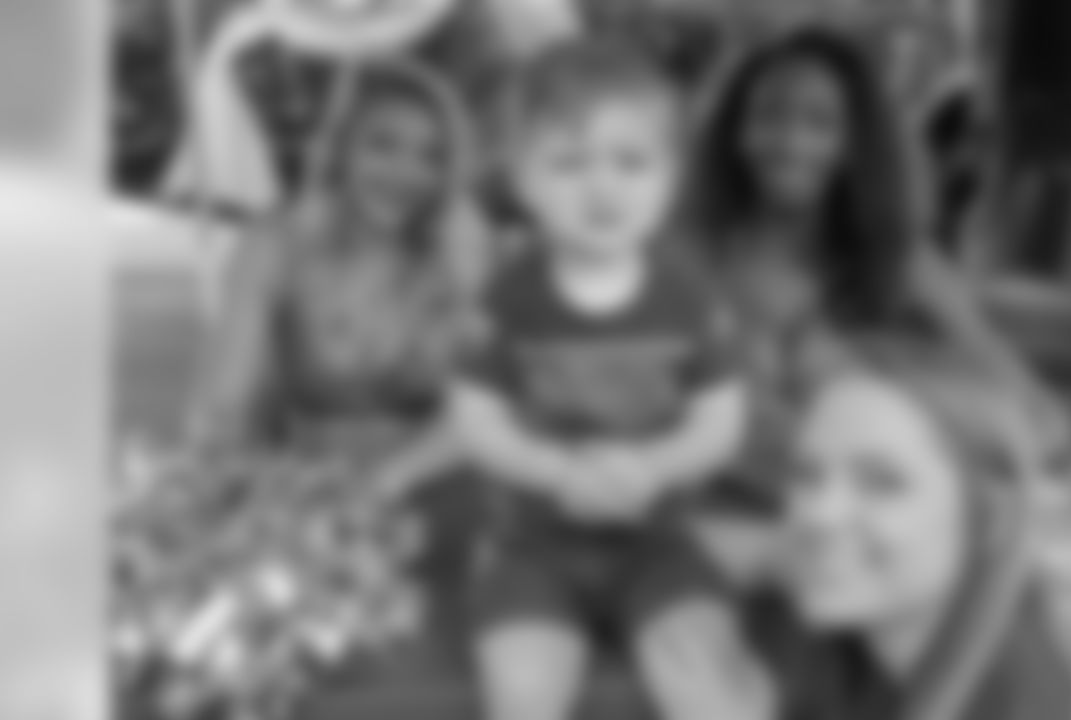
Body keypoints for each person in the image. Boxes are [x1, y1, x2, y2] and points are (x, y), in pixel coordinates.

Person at [452, 39, 775, 720]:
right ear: (523, 180)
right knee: (522, 686)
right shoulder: (508, 297)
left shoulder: (691, 295)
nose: (603, 188)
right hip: (531, 546)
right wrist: (556, 471)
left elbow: (721, 420)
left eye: (631, 162)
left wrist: (654, 467)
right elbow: (474, 418)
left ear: (671, 178)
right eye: (569, 164)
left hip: (661, 543)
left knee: (710, 682)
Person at [695, 28, 1068, 455]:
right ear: (734, 131)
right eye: (769, 116)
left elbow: (1044, 417)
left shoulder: (901, 260)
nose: (791, 141)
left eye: (820, 123)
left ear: (858, 143)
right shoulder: (693, 252)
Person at [188, 60, 478, 505]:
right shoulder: (276, 244)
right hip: (306, 493)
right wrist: (222, 482)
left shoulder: (463, 248)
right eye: (382, 145)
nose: (406, 173)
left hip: (441, 490)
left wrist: (378, 486)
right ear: (341, 148)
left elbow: (486, 411)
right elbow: (225, 404)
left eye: (432, 157)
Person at [759, 366, 1071, 720]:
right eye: (806, 475)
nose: (818, 514)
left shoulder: (1019, 704)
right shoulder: (841, 653)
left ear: (992, 515)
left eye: (881, 483)